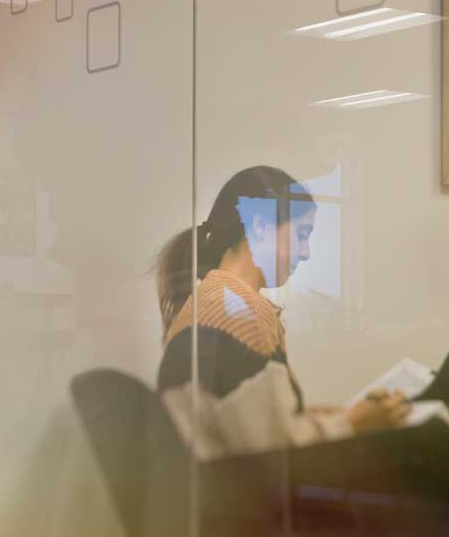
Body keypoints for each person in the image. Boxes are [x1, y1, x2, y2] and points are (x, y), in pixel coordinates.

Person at [153, 166, 409, 457]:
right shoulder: (238, 313)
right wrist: (354, 424)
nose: (306, 252)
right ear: (260, 227)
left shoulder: (209, 300)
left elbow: (259, 420)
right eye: (301, 234)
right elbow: (279, 450)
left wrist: (353, 415)